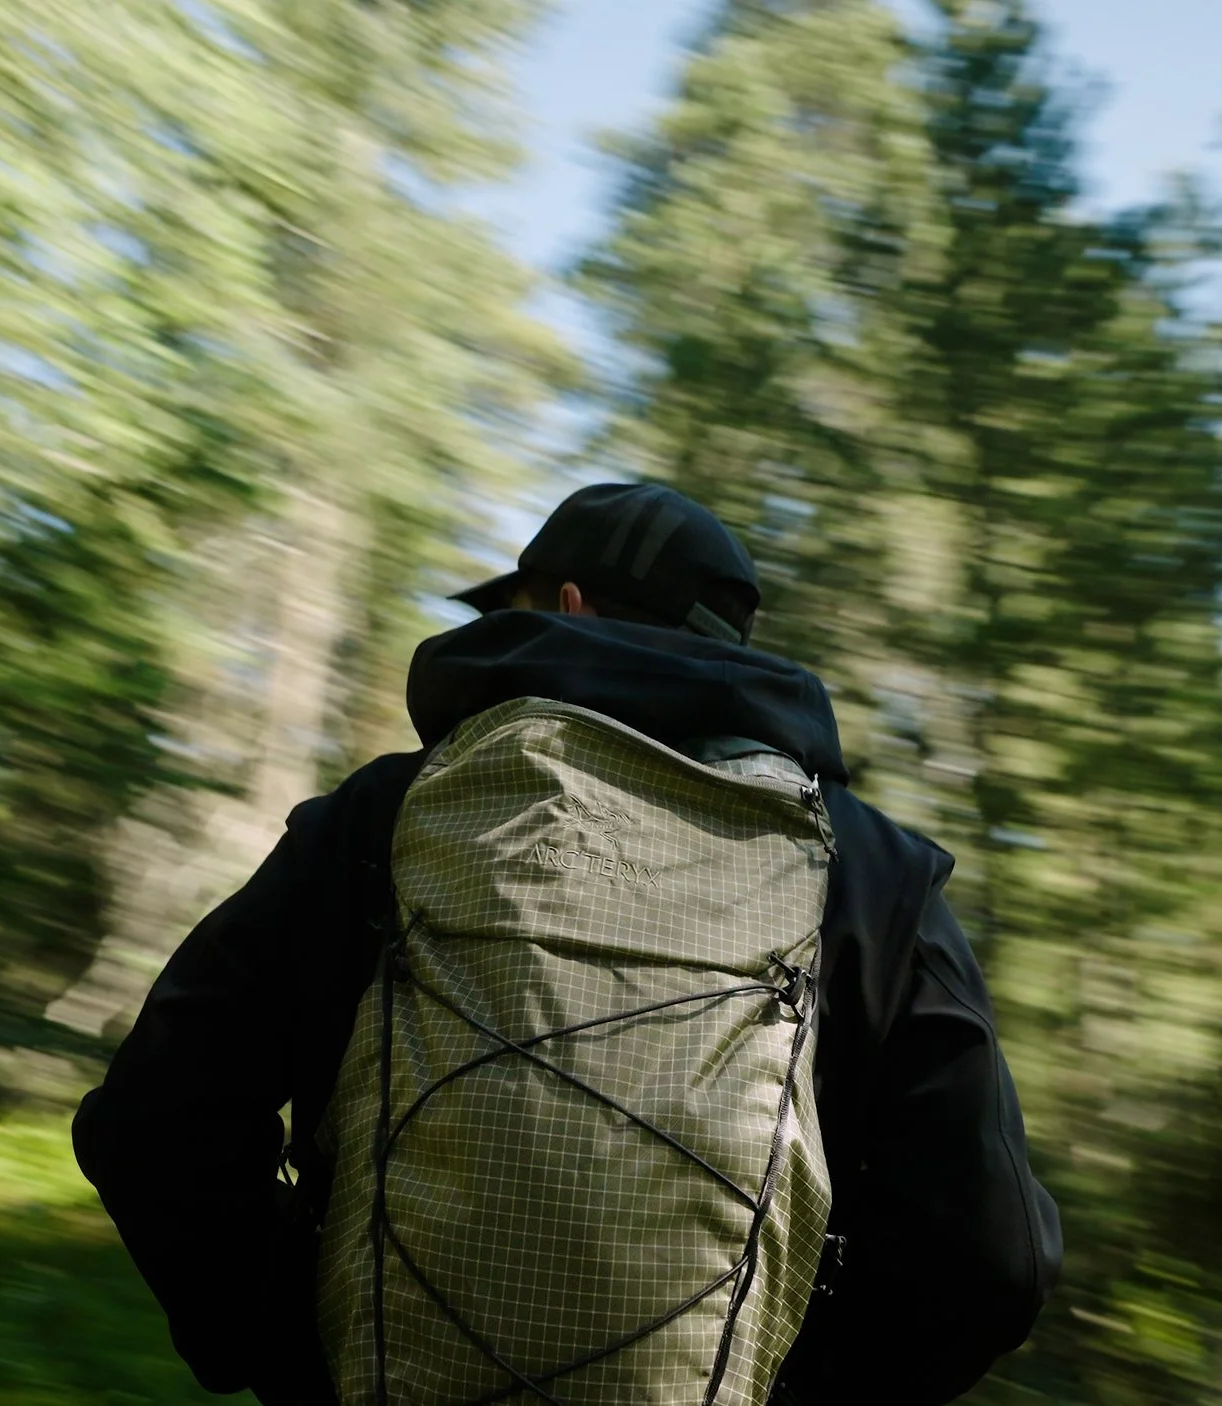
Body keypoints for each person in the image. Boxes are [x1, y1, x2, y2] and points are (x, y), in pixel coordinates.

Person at [74, 482, 1061, 1405]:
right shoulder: (868, 874)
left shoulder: (385, 819)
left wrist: (300, 1351)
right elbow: (991, 1260)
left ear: (573, 606)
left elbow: (153, 1121)